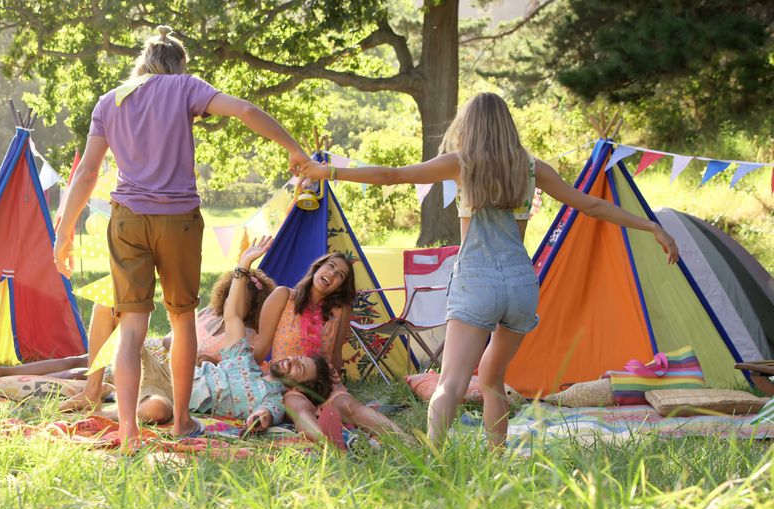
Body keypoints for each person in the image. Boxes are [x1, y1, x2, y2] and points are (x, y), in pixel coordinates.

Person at [298, 92, 680, 448]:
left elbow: (391, 175)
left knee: (451, 382)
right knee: (494, 381)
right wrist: (652, 227)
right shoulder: (531, 169)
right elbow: (590, 206)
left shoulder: (461, 164)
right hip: (520, 284)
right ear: (507, 126)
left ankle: (433, 459)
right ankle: (496, 463)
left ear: (471, 126)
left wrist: (328, 172)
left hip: (476, 281)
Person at [53, 25, 310, 447]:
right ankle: (181, 421)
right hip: (178, 220)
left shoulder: (108, 101)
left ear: (143, 63)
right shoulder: (184, 86)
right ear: (177, 65)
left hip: (127, 220)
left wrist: (64, 232)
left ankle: (127, 430)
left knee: (132, 325)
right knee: (181, 318)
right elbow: (245, 109)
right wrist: (293, 148)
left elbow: (87, 173)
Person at [103, 237, 332, 436]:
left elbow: (267, 414)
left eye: (298, 368)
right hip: (167, 371)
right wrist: (243, 266)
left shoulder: (272, 399)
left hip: (173, 400)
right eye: (296, 358)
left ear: (299, 388)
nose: (291, 360)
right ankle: (92, 388)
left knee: (157, 411)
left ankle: (104, 408)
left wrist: (260, 420)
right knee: (111, 313)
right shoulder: (243, 360)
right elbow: (232, 316)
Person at [0, 268, 277, 411]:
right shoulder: (209, 315)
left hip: (177, 372)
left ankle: (0, 375)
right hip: (161, 353)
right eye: (239, 294)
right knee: (84, 361)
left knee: (84, 367)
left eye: (248, 298)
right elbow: (171, 338)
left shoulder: (245, 338)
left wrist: (202, 358)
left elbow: (232, 366)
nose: (239, 300)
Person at [255, 252, 405, 442]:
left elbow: (336, 355)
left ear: (340, 287)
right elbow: (261, 345)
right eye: (331, 266)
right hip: (287, 380)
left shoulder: (340, 311)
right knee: (300, 408)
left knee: (351, 407)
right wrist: (245, 380)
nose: (332, 274)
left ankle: (408, 442)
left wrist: (336, 386)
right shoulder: (283, 296)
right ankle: (333, 448)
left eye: (340, 275)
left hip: (323, 379)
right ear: (318, 267)